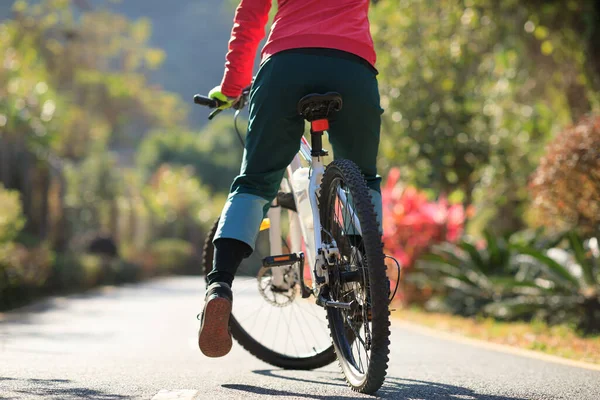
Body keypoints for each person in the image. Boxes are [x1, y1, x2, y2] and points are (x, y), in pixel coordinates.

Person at [198, 0, 384, 358]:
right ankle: (370, 277)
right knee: (363, 177)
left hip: (285, 64)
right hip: (353, 68)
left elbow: (250, 18)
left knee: (254, 183)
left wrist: (232, 86)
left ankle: (218, 288)